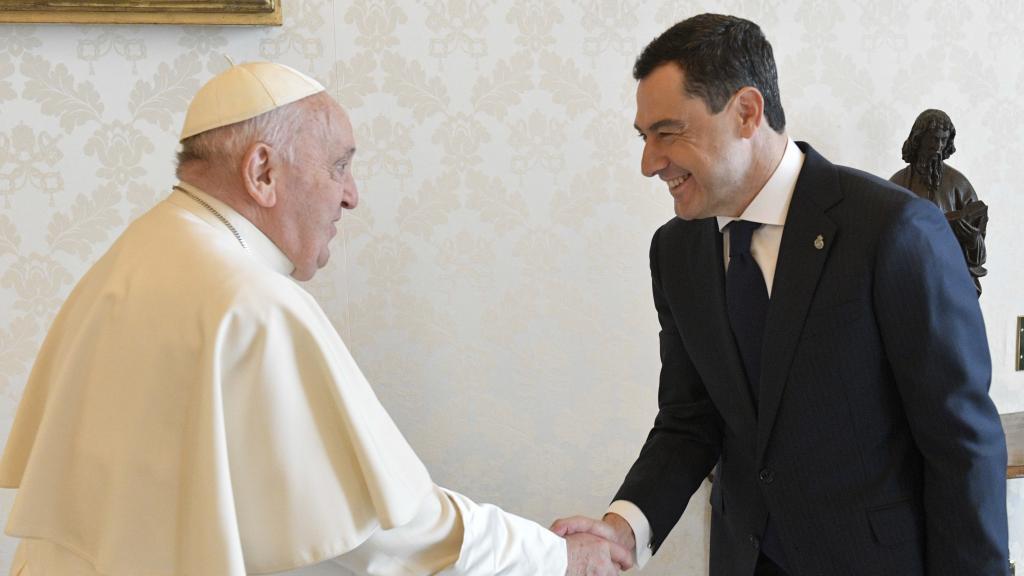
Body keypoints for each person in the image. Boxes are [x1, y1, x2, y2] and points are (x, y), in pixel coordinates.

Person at [0, 62, 628, 576]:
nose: (351, 193)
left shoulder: (135, 254)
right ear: (263, 171)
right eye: (338, 165)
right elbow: (386, 528)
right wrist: (553, 557)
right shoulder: (251, 301)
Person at [553, 14, 1009, 576]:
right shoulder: (676, 252)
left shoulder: (895, 231)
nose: (649, 163)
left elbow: (961, 445)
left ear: (746, 112)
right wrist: (623, 529)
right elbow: (689, 420)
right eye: (644, 137)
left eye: (667, 132)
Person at [889, 109, 988, 295]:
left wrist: (973, 239)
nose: (938, 147)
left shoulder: (959, 184)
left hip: (948, 281)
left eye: (943, 140)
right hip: (908, 278)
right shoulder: (897, 183)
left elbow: (979, 253)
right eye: (934, 139)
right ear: (919, 139)